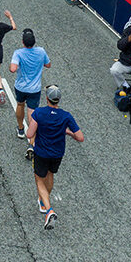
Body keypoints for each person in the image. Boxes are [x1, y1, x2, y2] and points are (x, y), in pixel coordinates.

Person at [26, 85, 83, 230]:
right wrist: (68, 132)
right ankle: (43, 202)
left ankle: (49, 209)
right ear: (59, 100)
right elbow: (80, 138)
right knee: (50, 174)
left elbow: (29, 134)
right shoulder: (66, 116)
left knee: (39, 179)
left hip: (42, 152)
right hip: (57, 153)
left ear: (47, 98)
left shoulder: (39, 113)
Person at [11, 28, 51, 145]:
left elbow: (13, 69)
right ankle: (32, 141)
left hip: (21, 87)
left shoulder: (18, 53)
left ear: (23, 42)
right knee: (32, 112)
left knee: (20, 104)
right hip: (35, 89)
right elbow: (48, 64)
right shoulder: (41, 51)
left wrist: (13, 67)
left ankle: (20, 129)